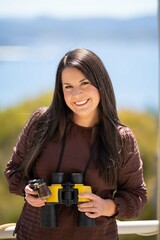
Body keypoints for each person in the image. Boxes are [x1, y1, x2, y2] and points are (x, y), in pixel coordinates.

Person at [4, 48, 147, 240]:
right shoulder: (41, 122)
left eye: (84, 83)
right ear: (60, 90)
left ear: (101, 83)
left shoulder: (121, 138)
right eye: (68, 87)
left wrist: (108, 206)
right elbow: (14, 171)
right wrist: (28, 191)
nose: (77, 94)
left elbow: (137, 196)